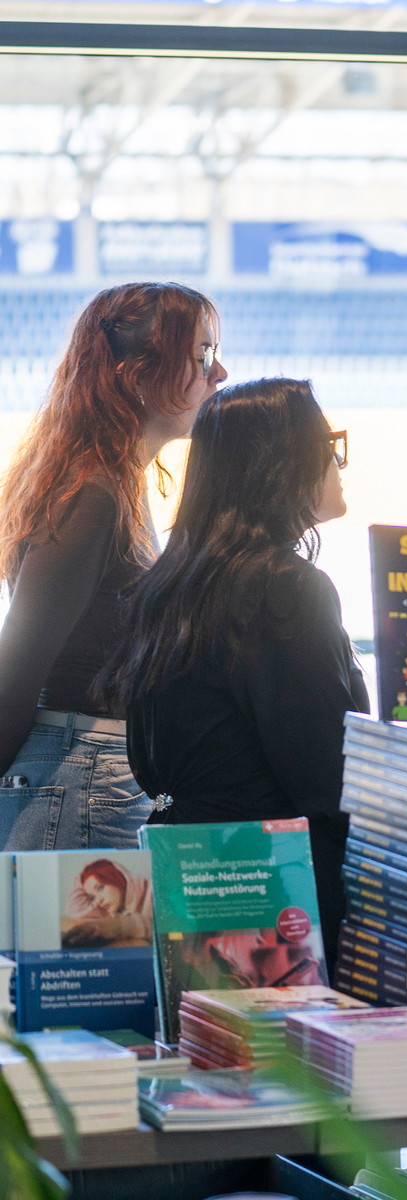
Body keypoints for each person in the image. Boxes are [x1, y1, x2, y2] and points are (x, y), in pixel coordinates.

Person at [104, 378, 368, 971]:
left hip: (193, 877)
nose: (337, 461)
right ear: (281, 464)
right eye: (327, 444)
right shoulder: (283, 588)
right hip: (278, 897)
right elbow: (324, 776)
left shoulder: (172, 585)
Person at [0, 282, 226, 851]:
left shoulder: (114, 482)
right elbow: (18, 670)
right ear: (136, 374)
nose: (220, 373)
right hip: (81, 775)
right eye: (202, 356)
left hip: (93, 773)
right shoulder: (91, 492)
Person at [63, 856, 154, 947]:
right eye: (92, 898)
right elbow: (73, 909)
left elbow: (157, 926)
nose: (98, 900)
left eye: (100, 888)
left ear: (116, 877)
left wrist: (119, 925)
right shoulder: (116, 909)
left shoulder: (153, 891)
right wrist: (84, 873)